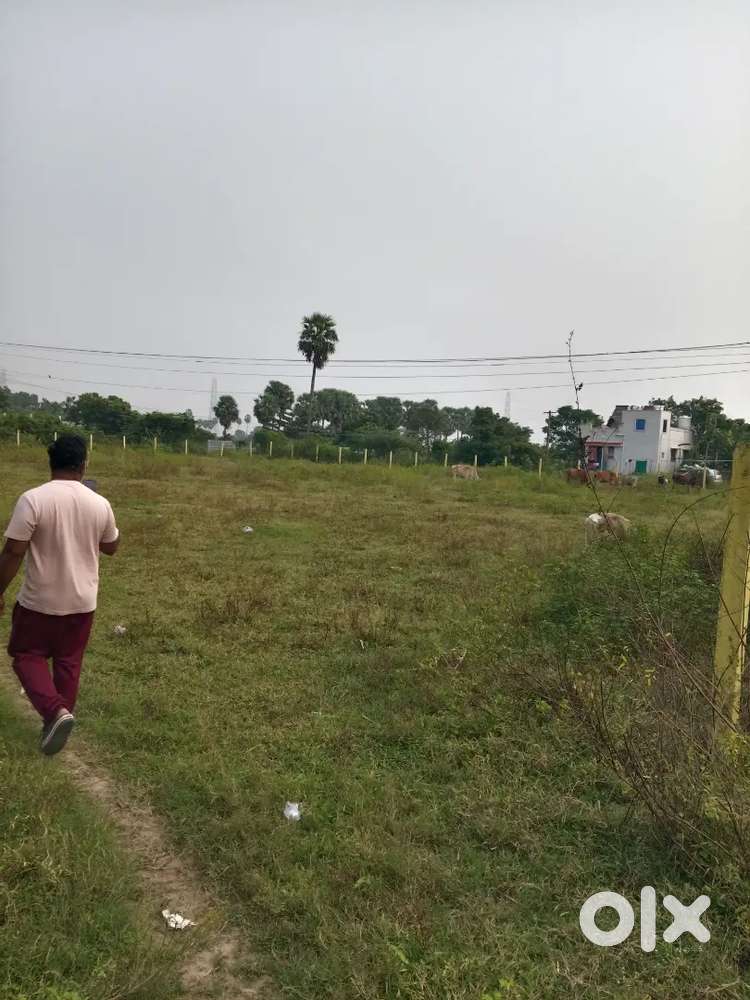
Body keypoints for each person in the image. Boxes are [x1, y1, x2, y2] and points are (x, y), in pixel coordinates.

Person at [0, 434, 119, 755]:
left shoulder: (33, 499)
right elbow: (111, 547)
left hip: (39, 602)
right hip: (82, 603)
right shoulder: (99, 503)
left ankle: (55, 713)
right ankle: (56, 722)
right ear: (83, 464)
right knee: (68, 663)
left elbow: (13, 552)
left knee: (26, 655)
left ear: (51, 463)